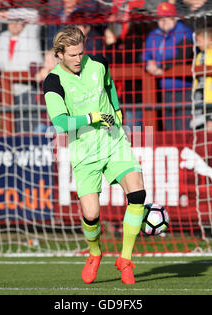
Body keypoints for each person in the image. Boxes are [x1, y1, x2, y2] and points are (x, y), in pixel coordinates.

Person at [43, 26, 146, 285]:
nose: (79, 59)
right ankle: (95, 252)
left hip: (114, 142)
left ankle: (125, 259)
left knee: (137, 192)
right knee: (90, 214)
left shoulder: (98, 63)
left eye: (81, 53)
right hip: (84, 152)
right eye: (73, 55)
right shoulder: (53, 81)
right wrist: (92, 117)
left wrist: (118, 110)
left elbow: (109, 86)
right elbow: (60, 124)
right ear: (59, 54)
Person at [143, 1, 194, 131]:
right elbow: (144, 57)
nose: (164, 21)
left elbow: (184, 56)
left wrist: (162, 66)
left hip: (184, 90)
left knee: (183, 130)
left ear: (174, 17)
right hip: (163, 91)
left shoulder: (185, 32)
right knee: (168, 130)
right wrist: (148, 65)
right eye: (161, 18)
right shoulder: (154, 35)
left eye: (167, 17)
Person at [0, 16, 43, 133]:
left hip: (27, 89)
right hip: (6, 92)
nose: (14, 25)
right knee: (10, 128)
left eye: (18, 22)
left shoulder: (30, 33)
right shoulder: (2, 37)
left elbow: (34, 14)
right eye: (11, 21)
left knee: (28, 127)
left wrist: (10, 13)